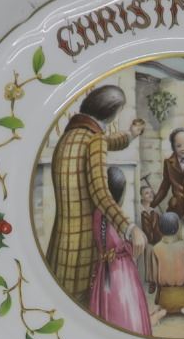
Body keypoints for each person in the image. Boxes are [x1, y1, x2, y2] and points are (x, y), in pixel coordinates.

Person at [42, 84, 146, 301]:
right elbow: (101, 193)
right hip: (83, 247)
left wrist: (130, 135)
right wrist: (130, 228)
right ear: (111, 112)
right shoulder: (93, 139)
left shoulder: (72, 135)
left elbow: (107, 141)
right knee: (83, 303)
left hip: (61, 243)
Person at [87, 166, 151, 336]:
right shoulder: (111, 216)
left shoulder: (98, 212)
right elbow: (116, 245)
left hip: (106, 270)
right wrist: (130, 245)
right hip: (119, 273)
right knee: (125, 312)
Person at [149, 212, 184, 322]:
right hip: (183, 295)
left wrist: (157, 299)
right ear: (178, 229)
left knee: (163, 305)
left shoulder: (156, 248)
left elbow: (154, 277)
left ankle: (162, 311)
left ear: (159, 229)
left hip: (165, 296)